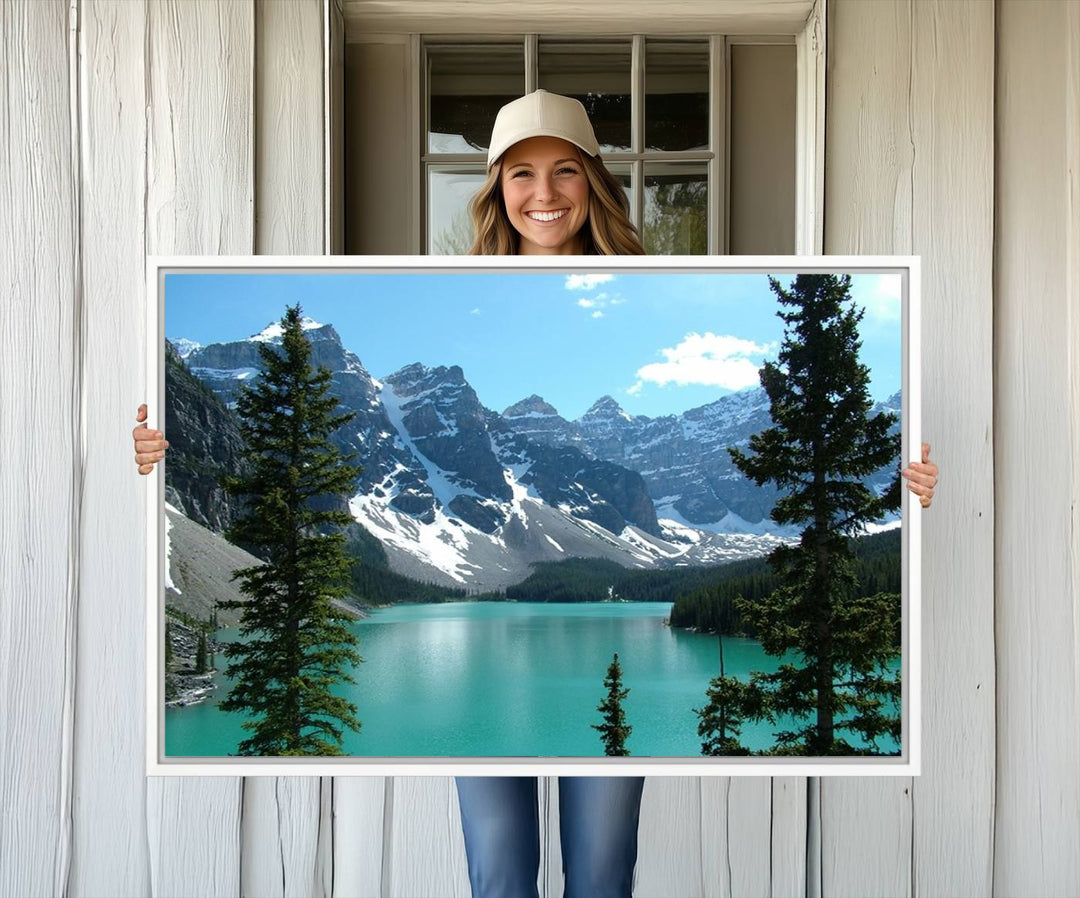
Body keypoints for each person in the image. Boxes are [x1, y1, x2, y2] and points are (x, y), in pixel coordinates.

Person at [131, 89, 940, 898]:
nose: (544, 193)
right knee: (501, 874)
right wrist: (161, 455)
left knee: (599, 875)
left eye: (564, 171)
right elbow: (250, 474)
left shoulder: (657, 290)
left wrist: (900, 486)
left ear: (593, 182)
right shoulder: (446, 296)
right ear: (495, 189)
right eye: (521, 173)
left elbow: (836, 482)